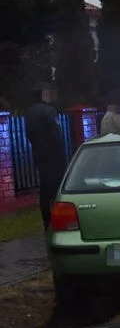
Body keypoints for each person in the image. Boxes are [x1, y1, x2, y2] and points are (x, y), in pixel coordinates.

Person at [24, 88, 68, 231]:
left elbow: (29, 135)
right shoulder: (49, 111)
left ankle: (46, 222)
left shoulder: (29, 113)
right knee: (57, 189)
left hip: (40, 156)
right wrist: (62, 154)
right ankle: (58, 222)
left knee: (44, 190)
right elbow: (57, 135)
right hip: (54, 156)